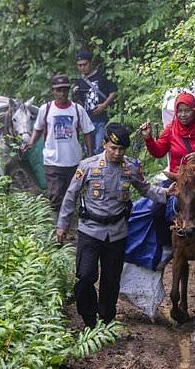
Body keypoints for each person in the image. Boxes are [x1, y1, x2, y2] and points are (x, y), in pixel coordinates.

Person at [56, 123, 175, 328]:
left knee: (111, 280)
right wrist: (62, 225)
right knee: (85, 276)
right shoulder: (88, 166)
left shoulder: (130, 168)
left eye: (121, 149)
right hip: (90, 230)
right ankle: (89, 318)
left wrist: (166, 193)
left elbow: (145, 189)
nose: (117, 153)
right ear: (104, 144)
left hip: (117, 232)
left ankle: (106, 320)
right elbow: (70, 196)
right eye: (113, 148)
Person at [139, 92, 195, 258]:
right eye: (180, 111)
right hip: (178, 178)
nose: (183, 115)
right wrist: (148, 139)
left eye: (187, 110)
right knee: (157, 209)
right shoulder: (171, 129)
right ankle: (167, 245)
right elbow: (159, 151)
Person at [21, 75, 94, 220]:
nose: (62, 93)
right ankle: (57, 227)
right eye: (58, 90)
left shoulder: (77, 110)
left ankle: (70, 224)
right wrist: (31, 144)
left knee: (72, 194)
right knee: (55, 195)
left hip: (73, 160)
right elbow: (38, 128)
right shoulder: (46, 109)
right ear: (53, 91)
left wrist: (90, 154)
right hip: (52, 160)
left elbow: (88, 131)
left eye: (65, 90)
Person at [71, 50, 117, 155]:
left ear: (91, 63)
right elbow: (77, 103)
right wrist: (75, 93)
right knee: (89, 150)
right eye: (79, 65)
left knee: (100, 148)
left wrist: (104, 105)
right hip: (87, 120)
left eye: (85, 64)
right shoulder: (80, 81)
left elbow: (113, 92)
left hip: (102, 118)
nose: (82, 67)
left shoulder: (102, 75)